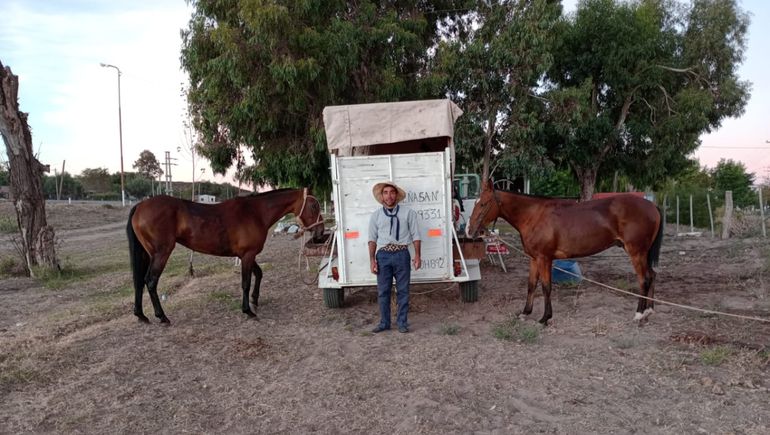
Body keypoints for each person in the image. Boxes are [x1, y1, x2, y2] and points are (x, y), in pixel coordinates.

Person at [368, 181, 421, 333]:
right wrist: (372, 260)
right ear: (382, 196)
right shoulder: (376, 216)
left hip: (402, 254)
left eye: (392, 192)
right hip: (383, 256)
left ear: (396, 195)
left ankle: (402, 323)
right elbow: (372, 239)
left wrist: (417, 255)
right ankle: (384, 322)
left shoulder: (408, 213)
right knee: (383, 291)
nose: (389, 196)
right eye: (385, 193)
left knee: (403, 290)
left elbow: (416, 235)